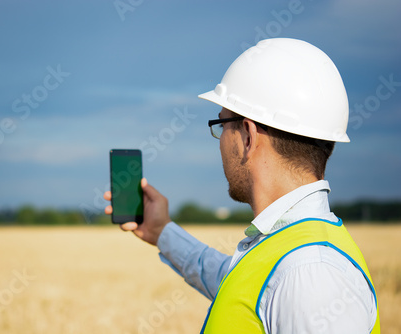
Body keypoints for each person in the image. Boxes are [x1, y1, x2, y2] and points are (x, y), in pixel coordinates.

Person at [104, 38, 380, 333]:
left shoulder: (310, 273)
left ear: (247, 136)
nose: (220, 140)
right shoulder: (290, 248)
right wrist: (162, 231)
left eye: (222, 125)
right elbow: (236, 282)